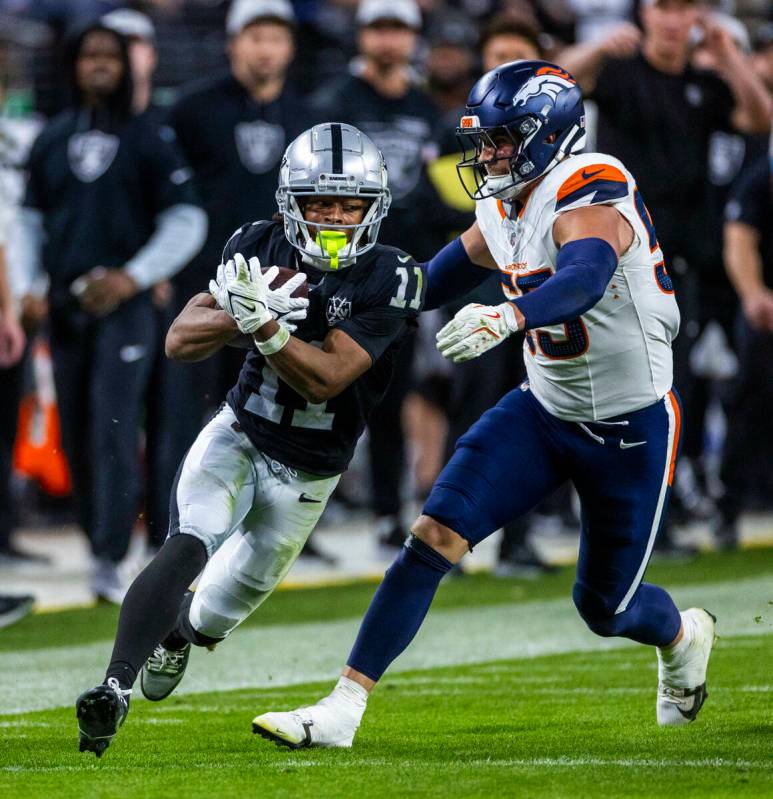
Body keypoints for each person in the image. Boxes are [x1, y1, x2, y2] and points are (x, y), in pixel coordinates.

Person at [251, 60, 718, 749]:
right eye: (486, 140)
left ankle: (682, 636)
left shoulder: (590, 183)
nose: (489, 154)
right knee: (432, 535)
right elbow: (432, 279)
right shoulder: (501, 204)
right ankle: (343, 706)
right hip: (541, 409)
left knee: (605, 605)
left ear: (549, 132)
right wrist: (332, 309)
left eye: (502, 139)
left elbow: (584, 275)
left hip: (629, 424)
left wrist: (508, 316)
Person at [74, 122, 425, 757]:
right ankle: (112, 689)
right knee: (190, 539)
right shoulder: (259, 243)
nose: (337, 218)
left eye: (350, 205)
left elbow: (327, 379)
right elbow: (180, 340)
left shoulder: (392, 275)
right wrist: (238, 311)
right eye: (322, 202)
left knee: (214, 614)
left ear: (375, 209)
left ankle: (178, 637)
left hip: (311, 472)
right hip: (242, 432)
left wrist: (263, 326)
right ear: (292, 203)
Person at [560, 0, 771, 550]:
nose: (673, 19)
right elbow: (555, 83)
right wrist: (600, 46)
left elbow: (760, 117)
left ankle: (661, 510)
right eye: (662, 7)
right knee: (620, 384)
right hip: (616, 256)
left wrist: (729, 57)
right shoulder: (619, 69)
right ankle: (613, 510)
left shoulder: (704, 82)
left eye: (683, 8)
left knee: (673, 390)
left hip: (681, 260)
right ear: (644, 15)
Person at [14, 21, 207, 602]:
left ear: (128, 66)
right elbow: (27, 220)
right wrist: (28, 285)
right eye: (88, 55)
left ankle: (114, 553)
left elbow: (186, 219)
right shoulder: (53, 137)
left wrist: (134, 276)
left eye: (110, 56)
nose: (99, 65)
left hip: (126, 309)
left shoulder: (150, 135)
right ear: (71, 64)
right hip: (68, 305)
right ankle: (101, 544)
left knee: (116, 426)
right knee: (75, 431)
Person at [310, 0, 445, 550]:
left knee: (392, 397)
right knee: (318, 396)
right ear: (362, 35)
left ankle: (390, 512)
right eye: (379, 28)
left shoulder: (423, 105)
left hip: (399, 275)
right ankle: (307, 516)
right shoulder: (335, 103)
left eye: (399, 29)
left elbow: (438, 188)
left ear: (414, 38)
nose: (389, 41)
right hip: (337, 270)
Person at [714, 142, 773, 549]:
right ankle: (728, 507)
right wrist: (754, 294)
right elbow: (738, 242)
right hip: (767, 310)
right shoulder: (758, 181)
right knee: (749, 406)